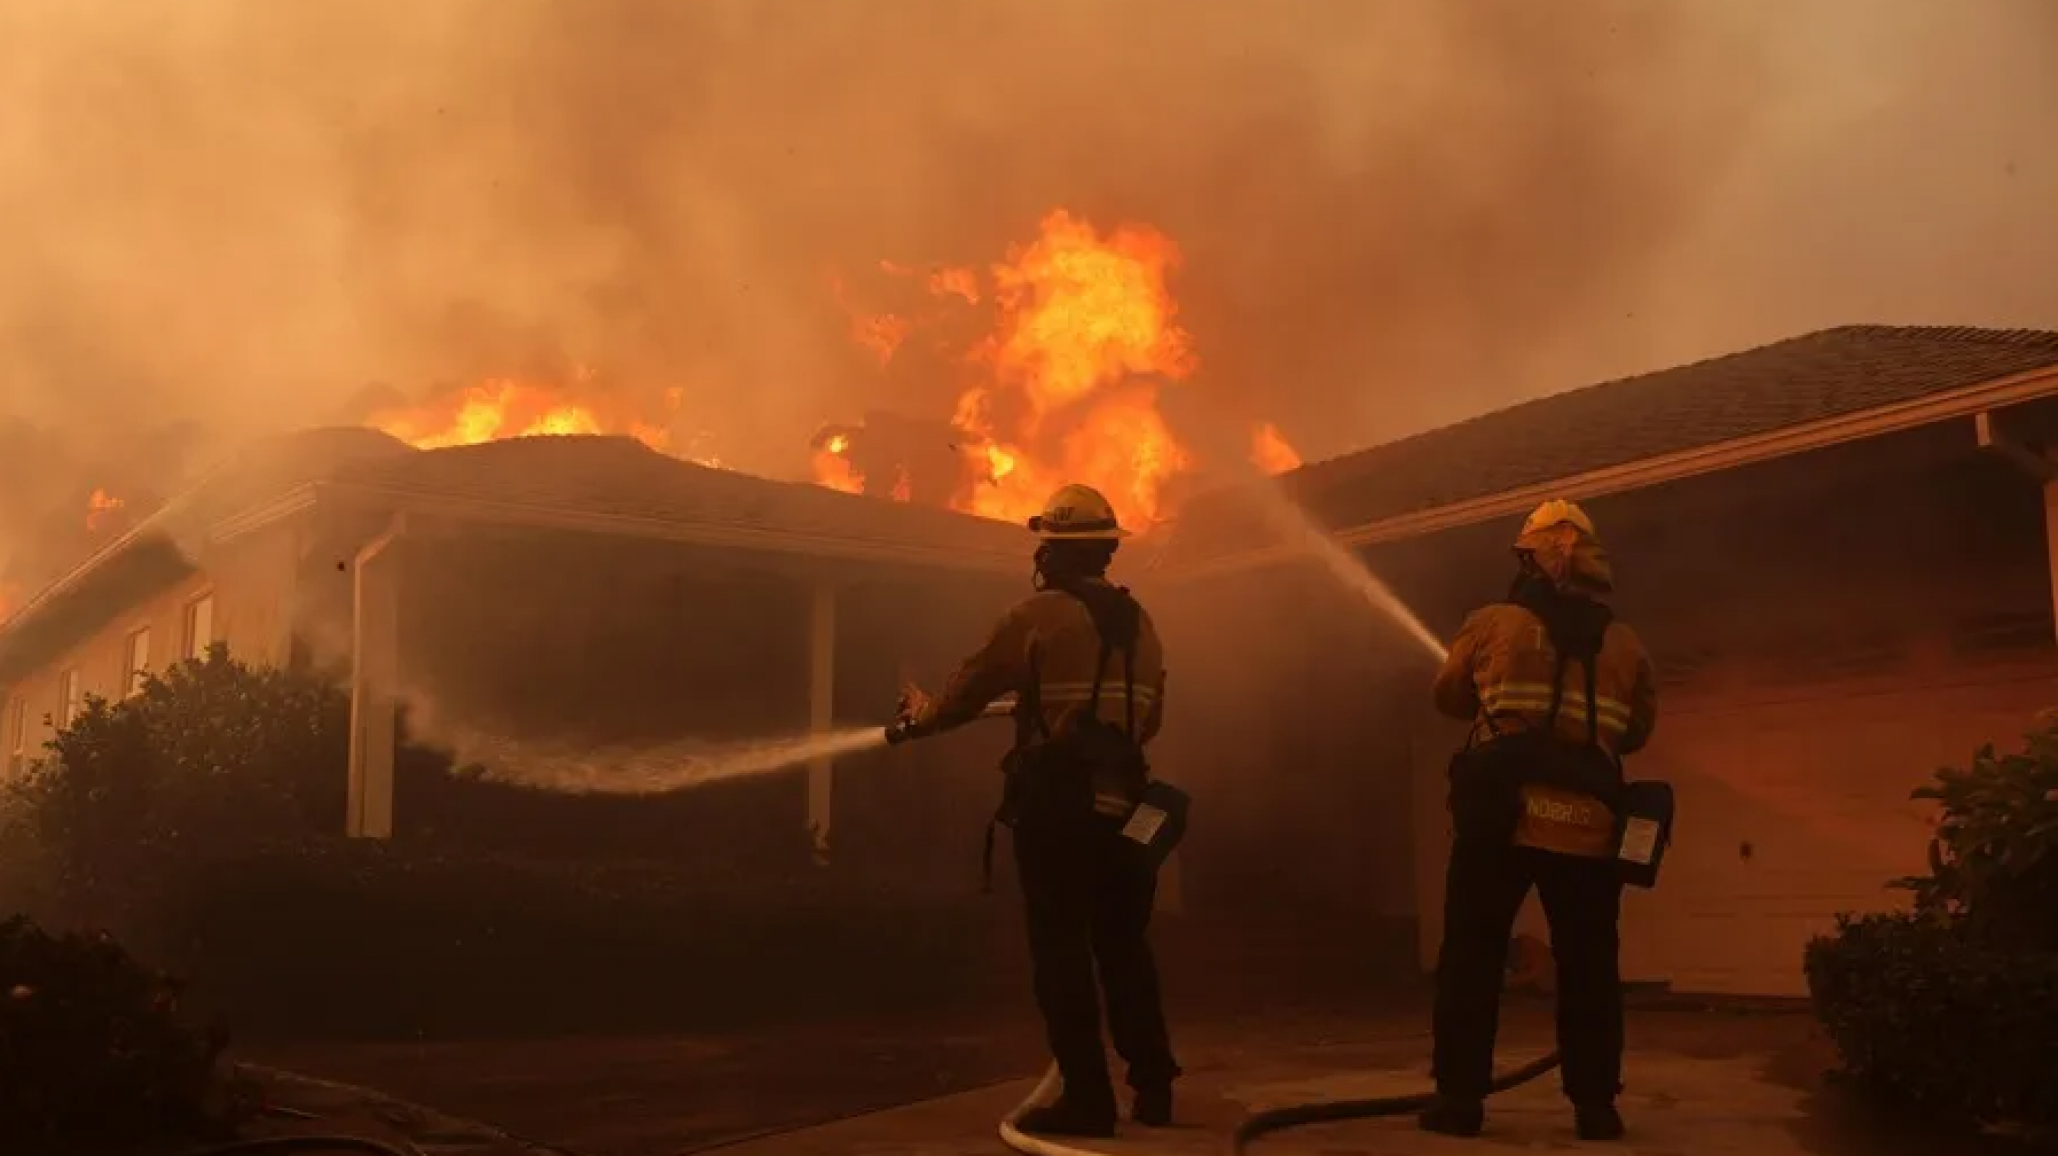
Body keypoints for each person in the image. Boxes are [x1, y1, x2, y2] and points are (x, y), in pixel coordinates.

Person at [886, 482, 1180, 1138]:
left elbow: (966, 693)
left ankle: (1088, 1100)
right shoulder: (1144, 623)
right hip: (1127, 806)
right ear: (1107, 552)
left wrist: (921, 717)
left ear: (1056, 552)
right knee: (1125, 948)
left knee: (1061, 950)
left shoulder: (1037, 616)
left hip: (1062, 807)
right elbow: (1149, 718)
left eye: (1046, 544)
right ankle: (1155, 1087)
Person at [1421, 498, 1658, 1142]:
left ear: (1531, 560)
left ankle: (1460, 1103)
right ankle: (1595, 1108)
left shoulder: (1494, 623)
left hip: (1502, 820)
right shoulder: (1625, 643)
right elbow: (1634, 731)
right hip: (1588, 827)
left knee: (1472, 958)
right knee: (1589, 969)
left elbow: (1448, 696)